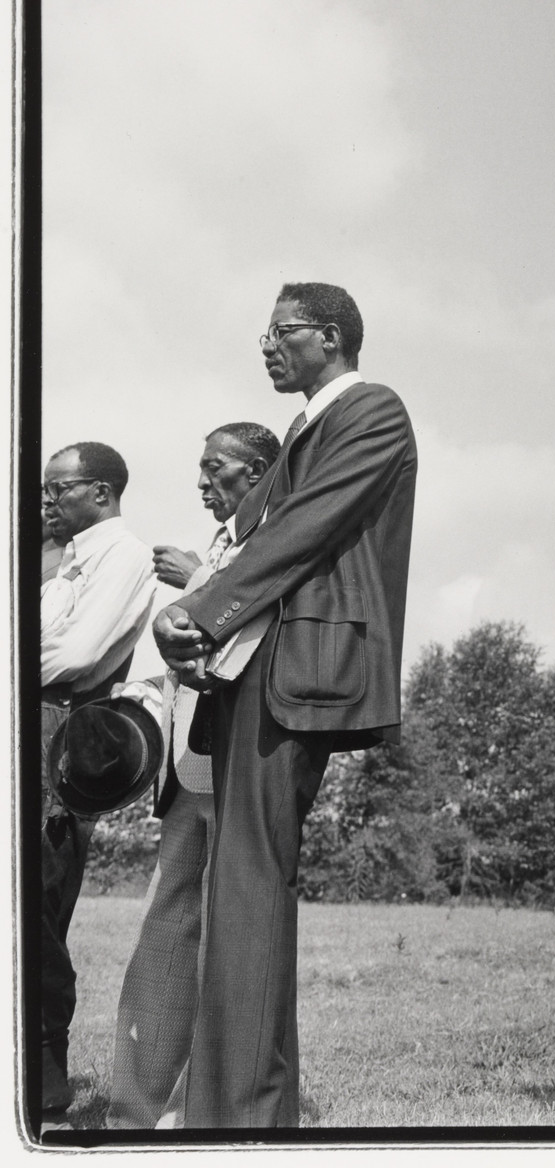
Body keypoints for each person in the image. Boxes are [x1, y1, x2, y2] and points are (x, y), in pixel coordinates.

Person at [153, 283, 418, 1128]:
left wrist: (197, 611)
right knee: (241, 885)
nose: (266, 345)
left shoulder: (371, 409)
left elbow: (304, 527)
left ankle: (241, 1117)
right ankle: (240, 1109)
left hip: (295, 668)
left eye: (282, 331)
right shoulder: (306, 427)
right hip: (254, 671)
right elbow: (257, 535)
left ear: (330, 337)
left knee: (249, 885)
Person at [108, 422, 282, 1129]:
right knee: (165, 936)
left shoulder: (287, 534)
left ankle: (202, 1112)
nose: (204, 482)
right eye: (201, 469)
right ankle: (135, 1110)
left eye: (218, 468)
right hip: (189, 768)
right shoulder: (217, 543)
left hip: (248, 766)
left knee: (226, 940)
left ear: (262, 470)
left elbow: (268, 631)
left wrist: (199, 583)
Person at [39, 443, 157, 1114]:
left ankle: (46, 1081)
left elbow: (80, 655)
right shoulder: (68, 559)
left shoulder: (123, 554)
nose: (49, 499)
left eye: (62, 488)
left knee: (40, 911)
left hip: (60, 742)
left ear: (103, 491)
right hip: (33, 721)